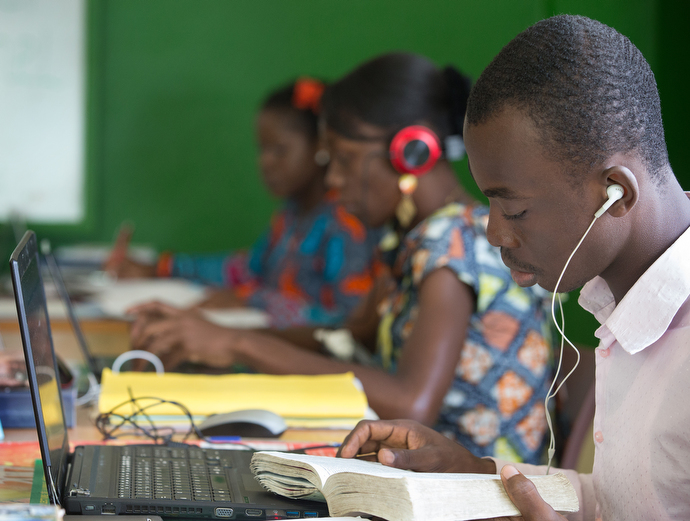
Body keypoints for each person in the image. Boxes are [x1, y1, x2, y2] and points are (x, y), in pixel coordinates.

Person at [336, 15, 690, 521]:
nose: (494, 234)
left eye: (515, 210)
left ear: (616, 194)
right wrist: (473, 471)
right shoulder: (623, 298)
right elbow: (627, 503)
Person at [128, 52, 554, 465]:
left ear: (411, 152)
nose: (333, 179)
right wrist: (215, 335)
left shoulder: (453, 243)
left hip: (475, 494)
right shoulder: (412, 240)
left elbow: (411, 403)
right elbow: (350, 337)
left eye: (345, 161)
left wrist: (239, 343)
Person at [105, 78, 380, 328]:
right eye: (262, 150)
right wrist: (160, 268)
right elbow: (247, 270)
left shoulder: (346, 222)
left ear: (322, 146)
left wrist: (252, 300)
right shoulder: (292, 215)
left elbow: (349, 321)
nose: (265, 163)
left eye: (279, 150)